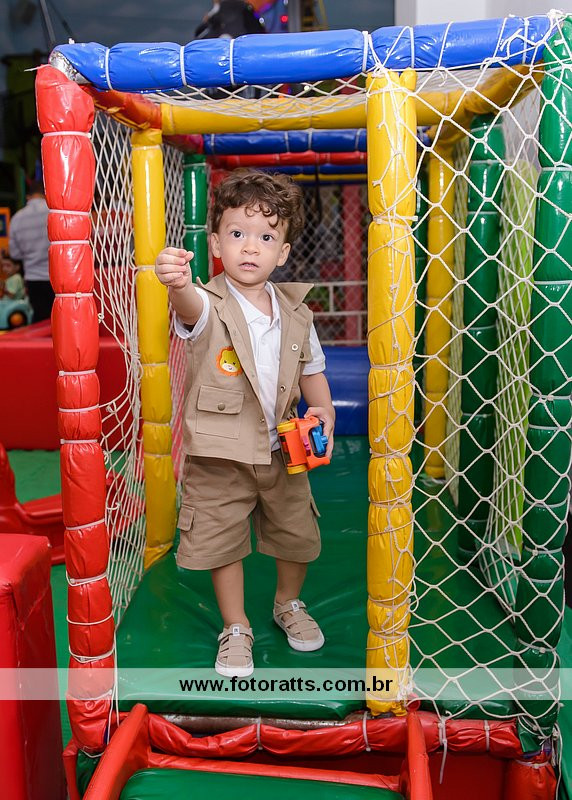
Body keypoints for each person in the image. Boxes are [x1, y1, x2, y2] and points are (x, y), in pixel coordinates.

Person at [155, 170, 335, 677]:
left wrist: (323, 410)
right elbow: (188, 309)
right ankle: (235, 626)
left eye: (266, 237)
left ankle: (288, 602)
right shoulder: (207, 305)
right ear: (216, 244)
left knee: (297, 531)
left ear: (283, 252)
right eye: (237, 233)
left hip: (283, 449)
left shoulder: (297, 311)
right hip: (221, 453)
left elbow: (312, 369)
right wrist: (178, 284)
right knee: (221, 537)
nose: (250, 247)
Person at [9, 179, 53, 322]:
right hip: (58, 276)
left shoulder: (17, 218)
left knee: (40, 320)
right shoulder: (53, 213)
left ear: (28, 196)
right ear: (46, 194)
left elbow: (15, 254)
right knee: (61, 320)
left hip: (34, 278)